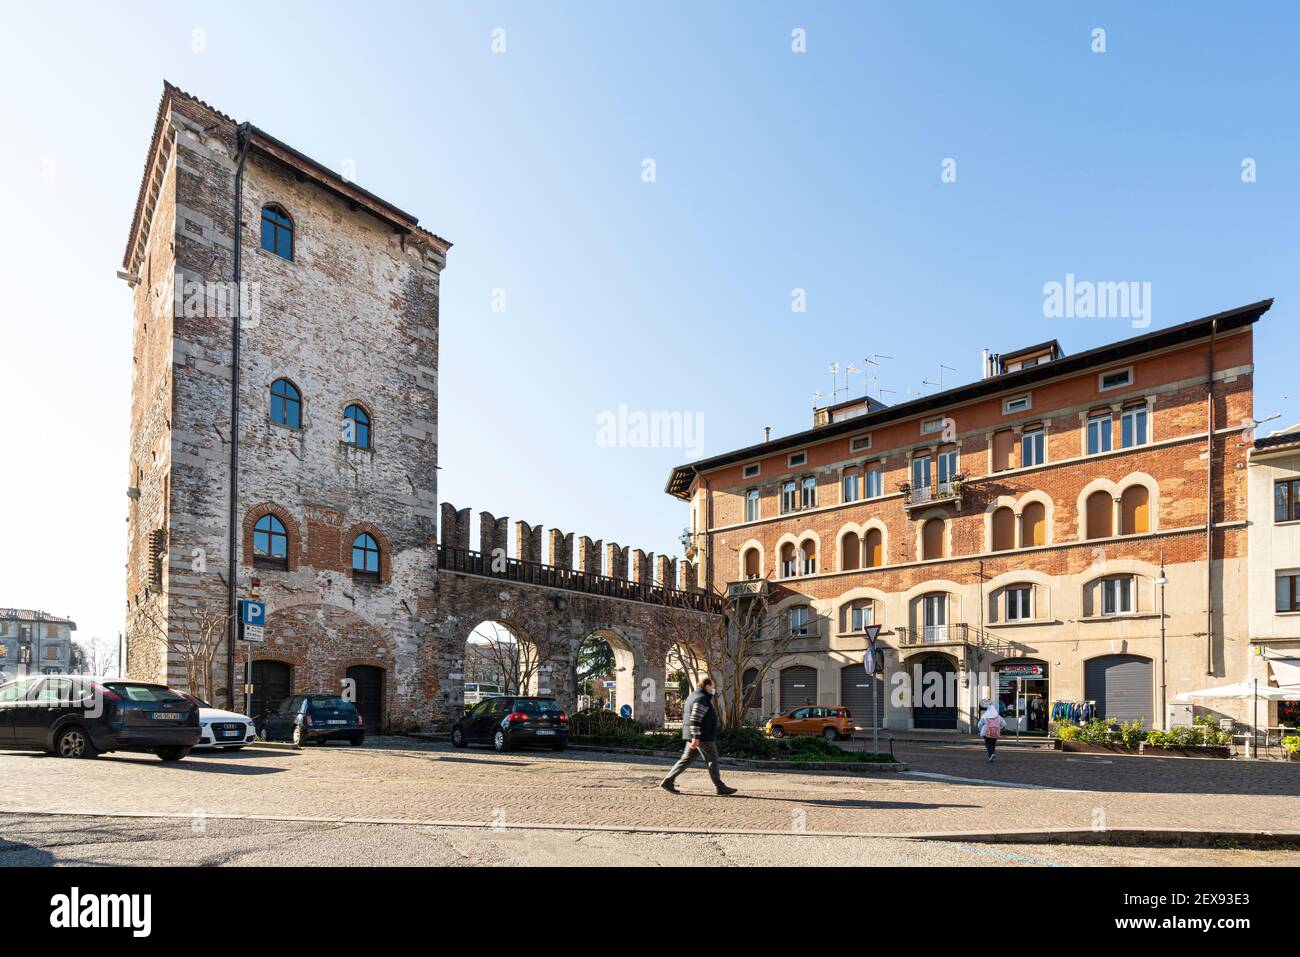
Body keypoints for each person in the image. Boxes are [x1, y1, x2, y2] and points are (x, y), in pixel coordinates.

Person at [660, 677, 737, 796]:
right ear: (706, 686)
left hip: (695, 735)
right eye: (712, 686)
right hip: (702, 736)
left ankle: (668, 781)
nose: (713, 689)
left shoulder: (693, 696)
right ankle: (719, 786)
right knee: (712, 759)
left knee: (686, 759)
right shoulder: (702, 699)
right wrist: (696, 736)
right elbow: (695, 718)